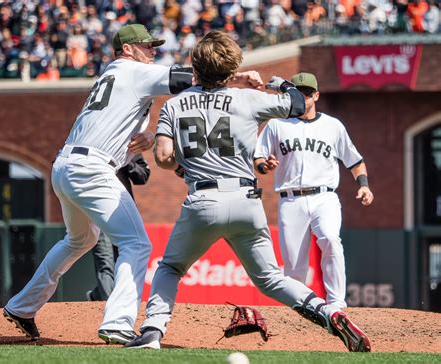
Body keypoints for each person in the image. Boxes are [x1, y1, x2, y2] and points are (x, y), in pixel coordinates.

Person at [126, 30, 371, 352]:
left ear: (195, 68)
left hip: (202, 199)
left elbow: (163, 158)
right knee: (270, 279)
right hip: (246, 201)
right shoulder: (249, 99)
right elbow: (298, 104)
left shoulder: (174, 105)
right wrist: (277, 83)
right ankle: (328, 311)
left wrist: (187, 166)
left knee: (170, 268)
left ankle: (152, 332)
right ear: (231, 69)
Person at [3, 23, 197, 345]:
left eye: (153, 46)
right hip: (91, 169)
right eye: (147, 46)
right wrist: (228, 79)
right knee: (137, 244)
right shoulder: (133, 70)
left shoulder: (114, 74)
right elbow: (184, 79)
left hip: (66, 165)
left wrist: (150, 136)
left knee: (79, 240)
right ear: (127, 49)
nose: (153, 51)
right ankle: (118, 322)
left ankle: (22, 306)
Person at [254, 72, 374, 310]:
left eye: (308, 93)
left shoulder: (333, 126)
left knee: (330, 239)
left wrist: (364, 185)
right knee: (294, 267)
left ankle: (337, 304)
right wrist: (264, 166)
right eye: (298, 93)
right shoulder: (277, 124)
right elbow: (258, 158)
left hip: (324, 196)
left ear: (316, 95)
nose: (304, 98)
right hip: (290, 199)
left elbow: (355, 161)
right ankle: (299, 309)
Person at [87, 154, 151, 302]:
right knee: (105, 262)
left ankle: (98, 295)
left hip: (122, 212)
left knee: (123, 261)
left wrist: (127, 160)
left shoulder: (129, 144)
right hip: (97, 211)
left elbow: (142, 177)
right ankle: (109, 307)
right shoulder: (92, 141)